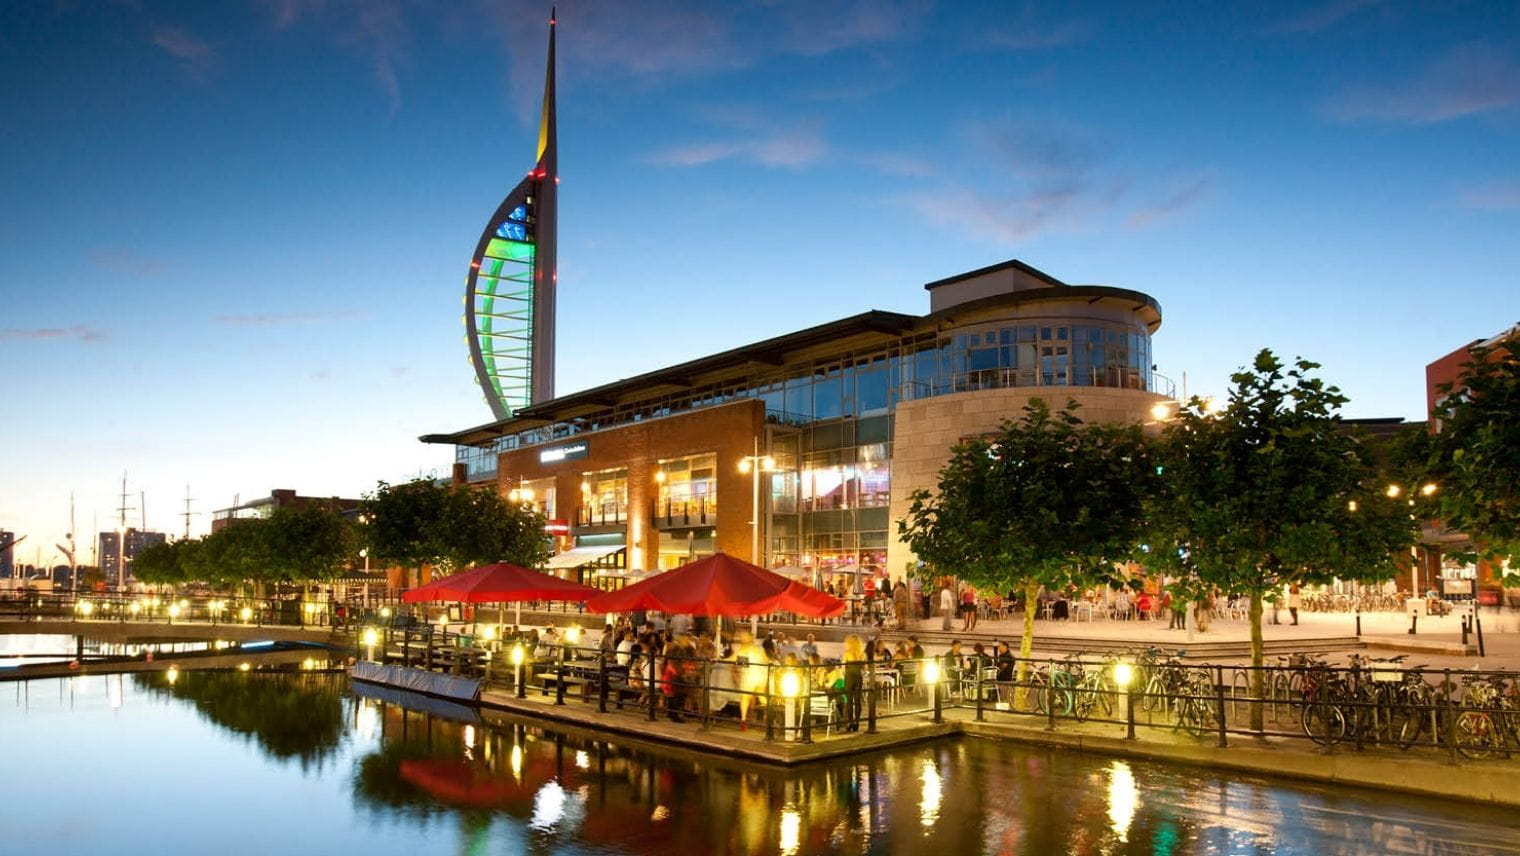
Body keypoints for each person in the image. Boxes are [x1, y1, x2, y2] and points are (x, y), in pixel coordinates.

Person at [842, 635, 866, 732]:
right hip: (858, 677)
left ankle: (850, 722)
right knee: (857, 701)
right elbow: (864, 669)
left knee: (849, 701)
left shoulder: (847, 653)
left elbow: (843, 668)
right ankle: (857, 722)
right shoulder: (862, 654)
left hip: (849, 677)